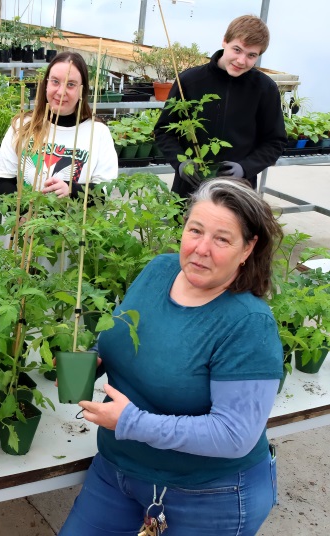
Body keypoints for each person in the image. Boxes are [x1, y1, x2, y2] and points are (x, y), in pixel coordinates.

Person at [59, 178, 283, 535]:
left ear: (248, 248)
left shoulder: (248, 324)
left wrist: (132, 423)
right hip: (118, 472)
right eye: (195, 230)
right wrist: (95, 359)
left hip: (209, 495)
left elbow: (234, 434)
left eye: (222, 239)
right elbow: (123, 336)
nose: (201, 248)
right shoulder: (160, 271)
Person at [154, 15, 287, 199]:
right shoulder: (190, 81)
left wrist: (245, 168)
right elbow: (164, 131)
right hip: (190, 186)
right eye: (237, 49)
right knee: (185, 227)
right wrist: (182, 163)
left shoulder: (265, 89)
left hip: (239, 191)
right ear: (224, 41)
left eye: (251, 55)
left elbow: (275, 141)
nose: (241, 60)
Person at [0, 51, 118, 200]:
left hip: (76, 222)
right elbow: (4, 180)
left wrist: (71, 190)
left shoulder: (97, 133)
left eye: (70, 84)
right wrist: (22, 214)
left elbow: (104, 190)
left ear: (82, 90)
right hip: (25, 222)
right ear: (46, 84)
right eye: (55, 81)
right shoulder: (22, 126)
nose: (61, 91)